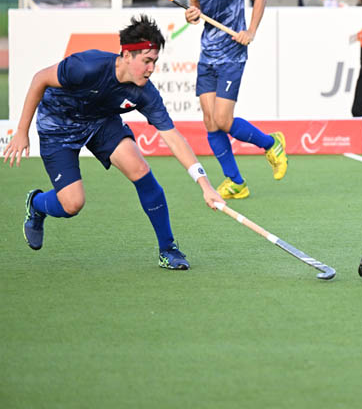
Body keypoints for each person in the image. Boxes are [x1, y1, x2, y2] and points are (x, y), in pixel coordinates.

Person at [2, 15, 224, 269]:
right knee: (72, 203)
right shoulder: (87, 66)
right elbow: (40, 79)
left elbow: (173, 137)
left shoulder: (145, 92)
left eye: (155, 61)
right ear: (127, 56)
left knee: (139, 168)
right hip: (58, 125)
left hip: (99, 122)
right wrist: (21, 131)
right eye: (147, 61)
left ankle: (168, 249)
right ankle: (37, 204)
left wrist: (205, 185)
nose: (152, 69)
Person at [184, 0, 288, 200]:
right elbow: (196, 7)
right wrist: (192, 15)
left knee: (223, 119)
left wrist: (250, 31)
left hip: (232, 53)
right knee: (209, 121)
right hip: (208, 54)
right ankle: (236, 182)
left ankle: (271, 144)